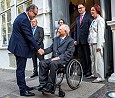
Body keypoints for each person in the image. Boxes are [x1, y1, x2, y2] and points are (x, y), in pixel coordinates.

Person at [8, 4, 42, 96]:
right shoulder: (24, 19)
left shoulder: (23, 17)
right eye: (34, 14)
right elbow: (29, 36)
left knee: (21, 69)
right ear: (30, 11)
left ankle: (23, 86)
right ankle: (23, 90)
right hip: (19, 48)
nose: (35, 16)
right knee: (20, 69)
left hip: (19, 46)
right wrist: (38, 48)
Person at [37, 24, 75, 94]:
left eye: (60, 29)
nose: (58, 30)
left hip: (63, 60)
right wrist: (43, 51)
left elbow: (69, 53)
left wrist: (58, 57)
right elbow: (50, 48)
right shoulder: (56, 39)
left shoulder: (70, 41)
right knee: (42, 63)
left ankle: (50, 86)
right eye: (58, 29)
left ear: (65, 31)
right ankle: (43, 84)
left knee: (53, 63)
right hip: (54, 59)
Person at [74, 3, 93, 77]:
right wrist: (75, 39)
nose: (80, 9)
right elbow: (75, 30)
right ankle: (84, 70)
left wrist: (90, 40)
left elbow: (91, 29)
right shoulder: (77, 18)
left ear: (84, 8)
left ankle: (89, 71)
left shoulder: (89, 16)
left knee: (87, 56)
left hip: (86, 40)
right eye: (78, 8)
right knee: (81, 57)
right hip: (79, 41)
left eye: (81, 8)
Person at [88, 4, 105, 83]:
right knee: (93, 59)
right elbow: (91, 33)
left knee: (99, 60)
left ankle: (101, 76)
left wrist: (99, 45)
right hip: (92, 43)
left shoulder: (100, 20)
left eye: (93, 10)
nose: (91, 12)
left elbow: (100, 34)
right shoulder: (93, 20)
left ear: (97, 10)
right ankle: (94, 73)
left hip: (97, 43)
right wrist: (89, 42)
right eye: (91, 10)